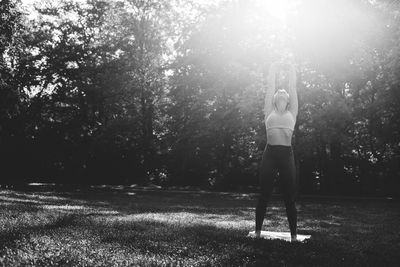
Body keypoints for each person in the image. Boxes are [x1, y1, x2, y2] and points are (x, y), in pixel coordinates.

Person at [255, 62, 298, 242]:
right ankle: (257, 232)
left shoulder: (293, 112)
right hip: (270, 154)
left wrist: (291, 70)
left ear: (287, 99)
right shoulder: (268, 111)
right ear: (274, 99)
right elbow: (270, 87)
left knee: (289, 196)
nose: (281, 92)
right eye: (278, 93)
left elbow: (292, 87)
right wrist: (272, 69)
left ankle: (294, 236)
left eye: (284, 93)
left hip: (286, 155)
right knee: (264, 193)